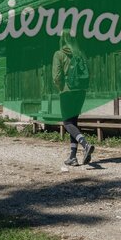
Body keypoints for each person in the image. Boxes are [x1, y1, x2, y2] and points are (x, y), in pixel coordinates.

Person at [52, 31, 93, 166]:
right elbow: (88, 71)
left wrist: (60, 88)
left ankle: (85, 144)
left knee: (67, 123)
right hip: (81, 91)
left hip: (67, 92)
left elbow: (57, 76)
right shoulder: (80, 53)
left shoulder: (59, 54)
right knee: (73, 122)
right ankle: (72, 157)